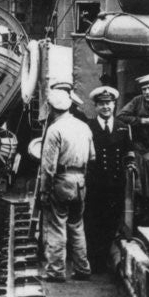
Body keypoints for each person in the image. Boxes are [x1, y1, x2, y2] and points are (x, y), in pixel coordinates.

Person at [40, 87, 95, 282]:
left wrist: (44, 191)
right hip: (80, 182)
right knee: (77, 225)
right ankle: (82, 268)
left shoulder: (54, 130)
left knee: (57, 226)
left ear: (50, 107)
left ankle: (56, 270)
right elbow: (92, 157)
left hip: (61, 183)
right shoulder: (84, 127)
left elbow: (48, 166)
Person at [84, 86, 131, 273]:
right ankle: (95, 262)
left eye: (109, 103)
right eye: (101, 104)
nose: (105, 107)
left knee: (112, 221)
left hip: (116, 183)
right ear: (95, 107)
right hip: (96, 184)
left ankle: (107, 260)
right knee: (94, 221)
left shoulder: (122, 127)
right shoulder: (89, 127)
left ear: (114, 104)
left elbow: (128, 151)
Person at [116, 72, 149, 222]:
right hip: (139, 147)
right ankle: (140, 205)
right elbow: (121, 117)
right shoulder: (137, 101)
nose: (147, 92)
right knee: (136, 163)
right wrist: (143, 121)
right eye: (144, 89)